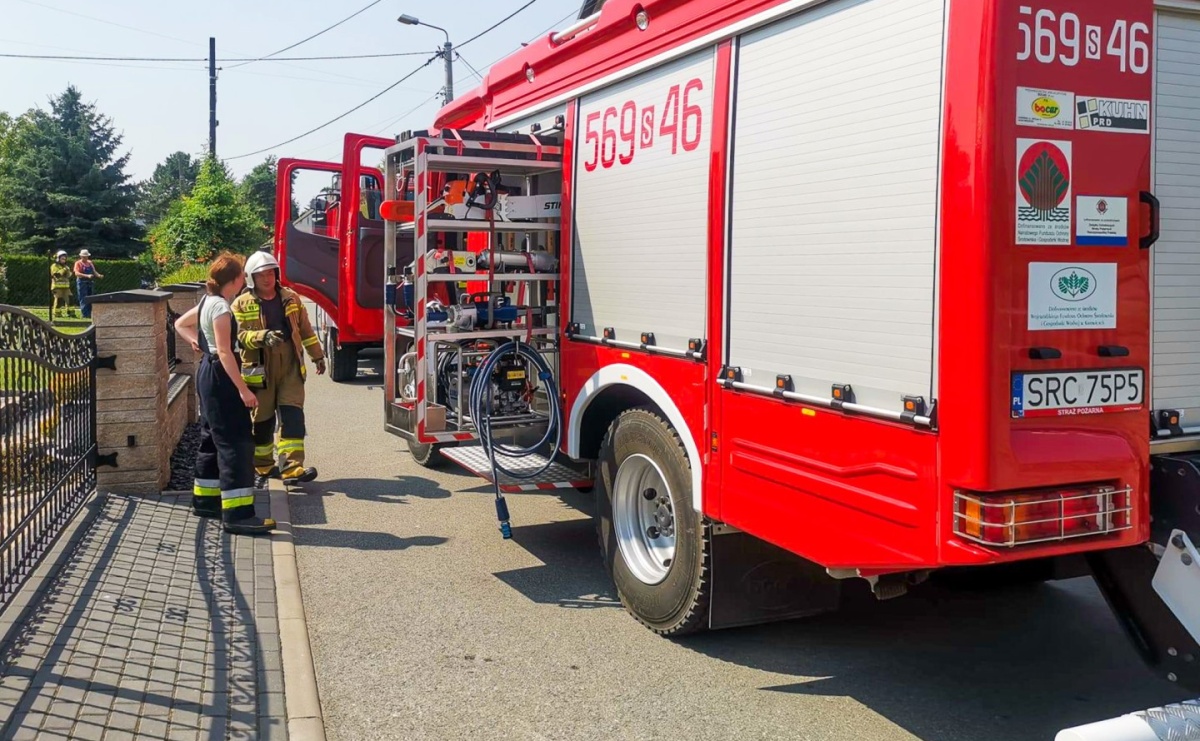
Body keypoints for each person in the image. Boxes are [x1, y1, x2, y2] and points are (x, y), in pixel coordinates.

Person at [173, 253, 275, 535]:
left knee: (211, 438)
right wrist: (243, 391)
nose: (245, 278)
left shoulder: (208, 301)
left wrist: (196, 341)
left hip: (207, 372)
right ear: (235, 279)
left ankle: (206, 502)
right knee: (236, 443)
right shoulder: (221, 309)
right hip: (221, 376)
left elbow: (180, 323)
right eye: (242, 274)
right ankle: (238, 515)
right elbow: (226, 351)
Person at [232, 251, 326, 486]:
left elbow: (306, 330)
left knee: (293, 417)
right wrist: (262, 336)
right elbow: (237, 337)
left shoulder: (291, 299)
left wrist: (318, 357)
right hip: (259, 369)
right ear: (252, 278)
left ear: (277, 274)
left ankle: (292, 467)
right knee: (262, 421)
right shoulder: (241, 304)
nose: (267, 279)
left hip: (290, 366)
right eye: (261, 275)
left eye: (270, 273)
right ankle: (263, 465)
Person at [74, 249, 104, 319]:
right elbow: (77, 273)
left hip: (90, 283)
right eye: (84, 256)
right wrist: (87, 276)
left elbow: (94, 271)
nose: (85, 258)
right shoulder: (78, 263)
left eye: (86, 256)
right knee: (83, 298)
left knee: (91, 298)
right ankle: (85, 315)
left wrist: (99, 275)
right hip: (82, 283)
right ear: (81, 256)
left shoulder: (90, 262)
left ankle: (91, 314)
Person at [49, 251, 76, 323]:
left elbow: (68, 276)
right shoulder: (54, 266)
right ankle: (57, 314)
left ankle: (71, 313)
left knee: (70, 299)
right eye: (62, 259)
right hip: (57, 287)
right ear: (58, 259)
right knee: (59, 300)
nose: (64, 260)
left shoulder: (66, 267)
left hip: (66, 287)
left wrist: (70, 273)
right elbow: (57, 275)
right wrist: (64, 270)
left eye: (65, 259)